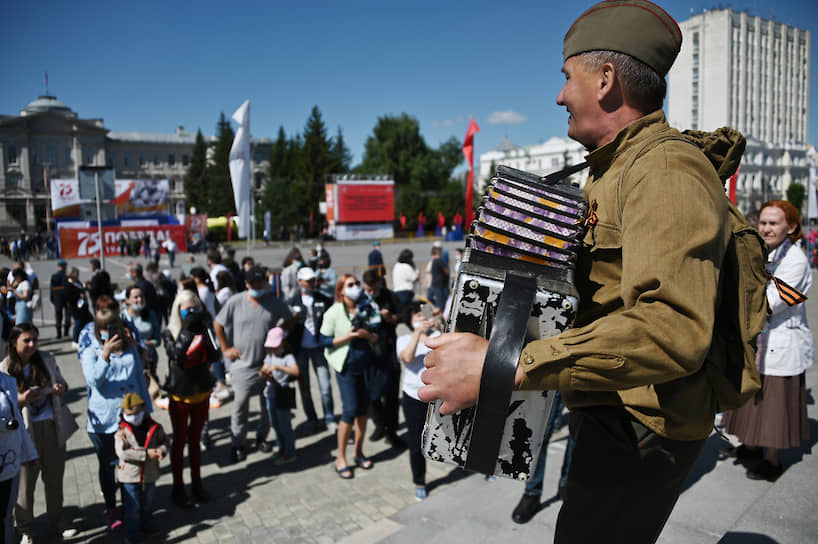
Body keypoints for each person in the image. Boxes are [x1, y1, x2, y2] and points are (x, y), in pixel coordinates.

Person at [418, 2, 740, 541]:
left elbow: (673, 328)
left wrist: (505, 365)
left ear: (606, 80)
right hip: (615, 412)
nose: (559, 94)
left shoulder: (664, 169)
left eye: (568, 78)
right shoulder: (615, 170)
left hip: (642, 426)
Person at [721, 200, 813, 481]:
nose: (766, 228)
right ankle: (750, 446)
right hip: (759, 342)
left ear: (792, 227)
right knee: (752, 401)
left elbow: (771, 303)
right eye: (763, 223)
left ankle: (772, 461)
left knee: (774, 405)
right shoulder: (766, 251)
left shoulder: (795, 260)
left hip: (781, 343)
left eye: (774, 223)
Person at [1, 323, 78, 542]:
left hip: (51, 426)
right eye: (26, 340)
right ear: (14, 343)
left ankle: (57, 521)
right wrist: (22, 400)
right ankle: (26, 529)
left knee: (54, 478)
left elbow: (62, 383)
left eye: (35, 339)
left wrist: (60, 388)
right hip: (23, 433)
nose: (32, 345)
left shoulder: (46, 359)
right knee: (25, 485)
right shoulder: (4, 368)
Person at [81, 309, 153, 531]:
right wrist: (105, 354)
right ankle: (111, 508)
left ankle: (131, 507)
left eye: (113, 329)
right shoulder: (90, 350)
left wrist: (147, 412)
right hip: (103, 420)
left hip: (129, 418)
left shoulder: (130, 347)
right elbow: (94, 381)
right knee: (107, 466)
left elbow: (140, 379)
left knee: (129, 463)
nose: (109, 335)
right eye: (104, 331)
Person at [213, 267, 293, 463]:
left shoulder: (273, 302)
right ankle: (237, 443)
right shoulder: (236, 301)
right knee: (240, 405)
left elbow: (290, 319)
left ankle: (261, 438)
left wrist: (279, 333)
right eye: (254, 283)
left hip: (266, 364)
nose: (258, 287)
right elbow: (218, 324)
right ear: (246, 284)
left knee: (266, 406)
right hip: (242, 365)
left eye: (261, 283)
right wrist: (225, 348)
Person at [161, 290, 219, 507]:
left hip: (201, 392)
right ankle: (178, 486)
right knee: (179, 441)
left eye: (196, 308)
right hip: (180, 394)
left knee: (195, 441)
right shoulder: (170, 331)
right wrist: (187, 330)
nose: (192, 312)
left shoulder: (204, 329)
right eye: (187, 309)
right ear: (178, 310)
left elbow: (216, 355)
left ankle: (197, 482)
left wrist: (206, 331)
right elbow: (176, 357)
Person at [319, 274, 380, 480]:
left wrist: (367, 336)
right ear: (341, 290)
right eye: (350, 285)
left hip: (366, 364)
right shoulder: (333, 312)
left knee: (363, 411)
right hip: (346, 367)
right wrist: (349, 336)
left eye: (356, 284)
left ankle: (359, 452)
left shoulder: (367, 307)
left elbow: (376, 334)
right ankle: (340, 457)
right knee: (350, 410)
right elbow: (324, 340)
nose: (356, 288)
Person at [397, 301, 441, 501]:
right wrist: (417, 334)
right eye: (416, 315)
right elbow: (406, 357)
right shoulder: (404, 338)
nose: (421, 317)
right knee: (416, 443)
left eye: (423, 314)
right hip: (413, 397)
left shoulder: (438, 336)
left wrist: (439, 325)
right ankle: (420, 481)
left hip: (438, 395)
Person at [510, 391, 575, 523]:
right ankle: (532, 492)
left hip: (585, 375)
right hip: (552, 375)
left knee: (576, 432)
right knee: (538, 433)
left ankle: (567, 483)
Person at [286, 267, 335, 433]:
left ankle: (329, 417)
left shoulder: (325, 299)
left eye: (313, 280)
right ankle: (312, 418)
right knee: (304, 387)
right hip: (300, 350)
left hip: (319, 349)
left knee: (325, 386)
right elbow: (284, 327)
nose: (311, 283)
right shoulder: (291, 302)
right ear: (300, 282)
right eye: (308, 281)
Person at [115, 392, 167, 543]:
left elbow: (165, 441)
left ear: (143, 409)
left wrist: (162, 450)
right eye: (129, 414)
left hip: (150, 474)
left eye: (136, 413)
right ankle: (132, 535)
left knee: (148, 503)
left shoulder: (155, 427)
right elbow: (123, 453)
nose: (133, 417)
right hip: (129, 476)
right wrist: (146, 454)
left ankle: (147, 526)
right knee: (133, 507)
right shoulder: (121, 431)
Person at [362, 269, 405, 448]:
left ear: (380, 283)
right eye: (368, 289)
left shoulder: (390, 296)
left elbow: (404, 314)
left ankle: (391, 431)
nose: (372, 293)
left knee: (391, 395)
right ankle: (379, 425)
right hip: (368, 352)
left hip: (388, 350)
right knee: (372, 394)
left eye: (374, 288)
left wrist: (392, 318)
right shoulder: (360, 299)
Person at [1, 369, 38, 544]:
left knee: (7, 517)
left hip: (9, 463)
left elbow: (18, 423)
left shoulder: (7, 382)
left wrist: (29, 452)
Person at [259, 327, 300, 465]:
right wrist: (264, 373)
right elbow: (263, 371)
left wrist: (279, 368)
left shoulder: (287, 357)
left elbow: (295, 371)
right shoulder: (269, 356)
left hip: (283, 395)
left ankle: (290, 452)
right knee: (275, 425)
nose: (273, 348)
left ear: (282, 343)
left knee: (285, 426)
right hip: (270, 395)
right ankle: (281, 449)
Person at [120, 285, 162, 381]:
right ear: (127, 300)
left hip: (149, 359)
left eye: (141, 296)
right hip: (129, 359)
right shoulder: (122, 317)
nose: (140, 300)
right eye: (136, 297)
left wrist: (145, 345)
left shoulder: (151, 315)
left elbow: (158, 339)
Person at [65, 267, 93, 344]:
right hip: (76, 308)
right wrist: (79, 295)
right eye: (77, 273)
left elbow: (82, 289)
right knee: (78, 323)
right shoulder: (68, 284)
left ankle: (89, 336)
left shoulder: (77, 282)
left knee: (89, 321)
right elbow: (68, 297)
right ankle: (75, 340)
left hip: (83, 306)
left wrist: (84, 288)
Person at [50, 259, 71, 340]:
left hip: (57, 297)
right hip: (67, 297)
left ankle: (58, 333)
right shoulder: (67, 276)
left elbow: (52, 289)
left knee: (58, 315)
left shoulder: (54, 276)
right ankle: (66, 331)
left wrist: (52, 298)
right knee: (67, 315)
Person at [426, 246, 449, 310]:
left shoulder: (437, 260)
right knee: (435, 300)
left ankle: (439, 311)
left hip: (437, 284)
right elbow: (446, 271)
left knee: (438, 302)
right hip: (436, 284)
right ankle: (438, 310)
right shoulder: (437, 260)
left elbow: (446, 271)